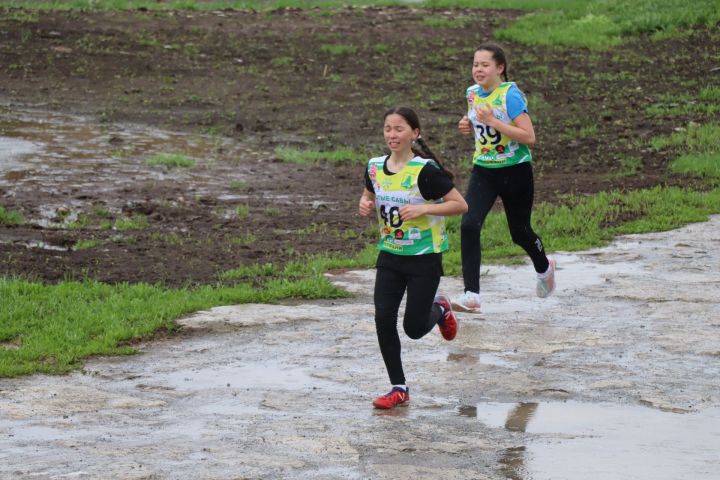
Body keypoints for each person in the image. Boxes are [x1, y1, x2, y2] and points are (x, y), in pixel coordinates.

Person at [358, 106, 468, 409]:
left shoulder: (425, 171)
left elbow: (460, 205)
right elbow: (370, 193)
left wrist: (424, 209)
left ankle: (441, 308)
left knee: (414, 328)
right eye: (388, 129)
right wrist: (365, 204)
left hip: (424, 258)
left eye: (399, 129)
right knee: (383, 318)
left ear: (414, 134)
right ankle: (398, 387)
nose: (392, 135)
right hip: (390, 255)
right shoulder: (374, 167)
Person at [452, 42, 555, 314]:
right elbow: (477, 119)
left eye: (485, 64)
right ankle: (471, 295)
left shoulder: (510, 95)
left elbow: (529, 138)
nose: (478, 69)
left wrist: (494, 122)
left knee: (519, 233)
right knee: (469, 224)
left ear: (500, 68)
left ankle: (544, 267)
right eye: (475, 64)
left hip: (516, 171)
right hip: (484, 170)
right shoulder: (472, 93)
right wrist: (467, 123)